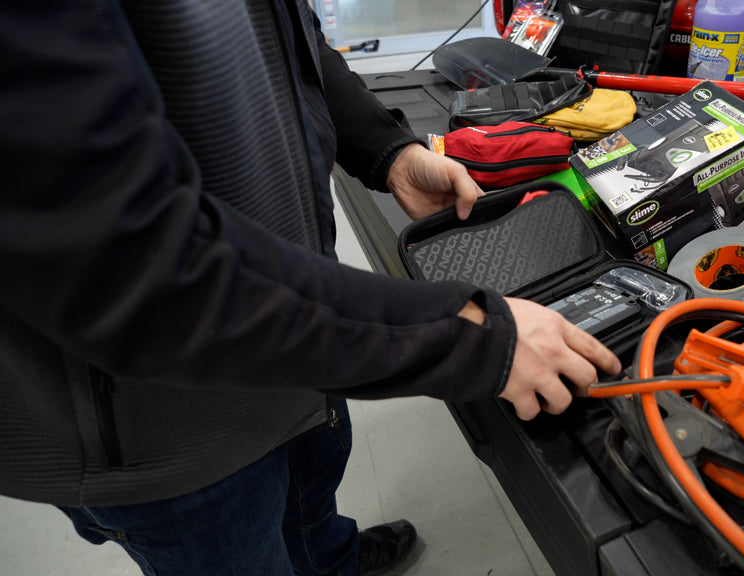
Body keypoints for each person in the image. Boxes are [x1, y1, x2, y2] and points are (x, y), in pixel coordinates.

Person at [0, 1, 621, 575]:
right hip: (166, 425)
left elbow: (290, 38)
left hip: (298, 330)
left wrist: (386, 149)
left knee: (312, 487)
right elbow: (130, 266)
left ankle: (328, 560)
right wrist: (468, 336)